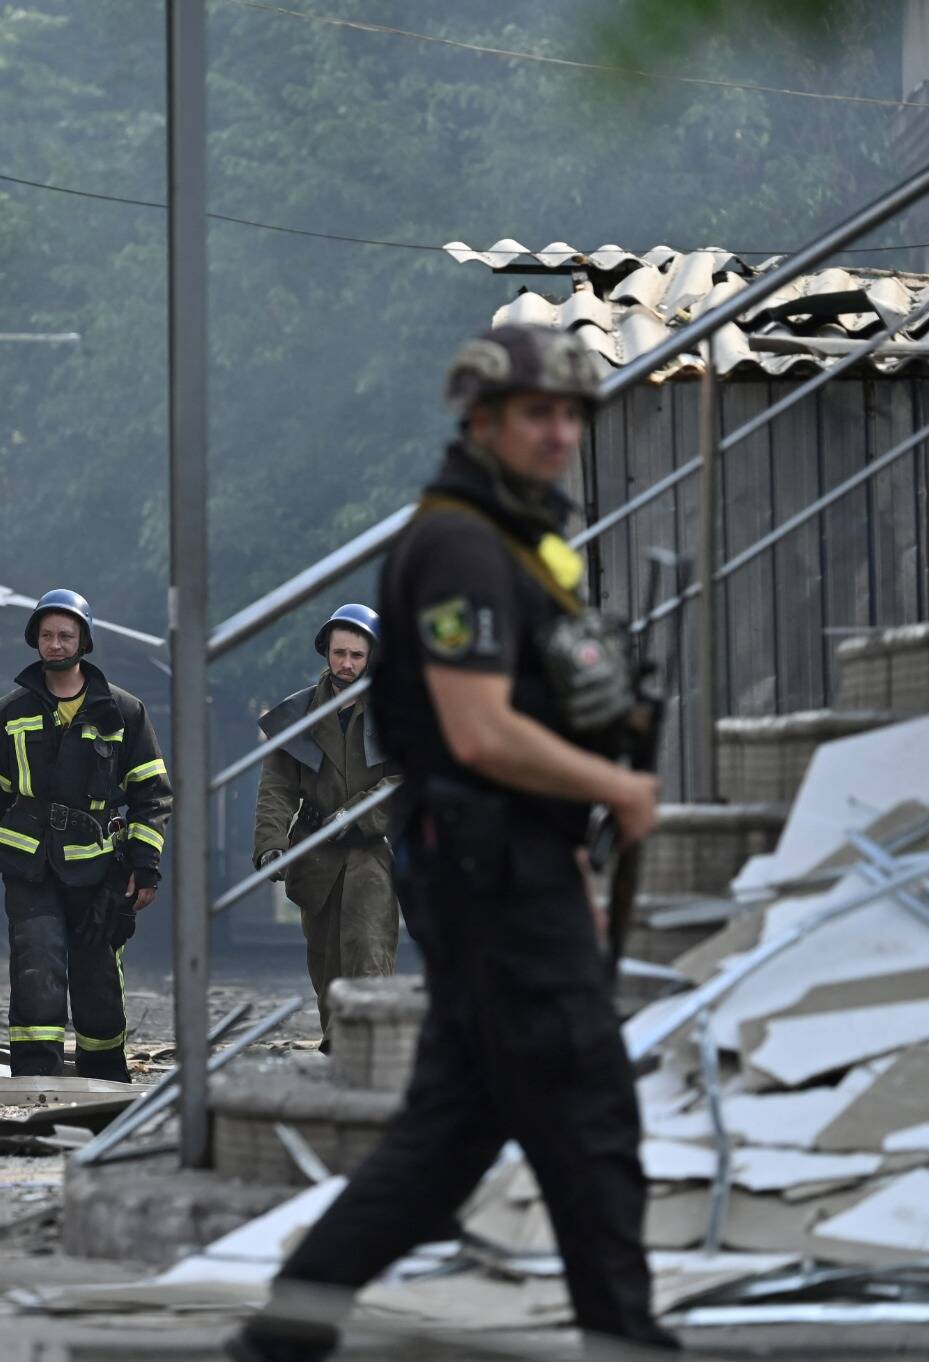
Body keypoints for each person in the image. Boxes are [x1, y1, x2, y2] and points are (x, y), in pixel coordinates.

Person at [231, 325, 674, 1360]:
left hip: (519, 868)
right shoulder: (461, 547)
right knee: (592, 1119)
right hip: (492, 882)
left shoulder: (521, 540)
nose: (560, 433)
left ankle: (279, 1338)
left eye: (573, 413)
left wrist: (578, 849)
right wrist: (617, 786)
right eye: (537, 413)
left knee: (441, 1144)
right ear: (481, 422)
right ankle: (628, 1338)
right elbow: (478, 731)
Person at [0, 589, 171, 1081]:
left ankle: (103, 1077)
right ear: (35, 640)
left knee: (98, 975)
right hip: (27, 862)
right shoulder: (9, 711)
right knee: (36, 967)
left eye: (66, 635)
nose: (55, 645)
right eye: (47, 635)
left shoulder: (123, 711)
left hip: (100, 866)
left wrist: (145, 866)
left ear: (84, 641)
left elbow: (152, 795)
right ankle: (36, 1077)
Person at [252, 603, 398, 1045]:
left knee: (368, 955)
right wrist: (271, 844)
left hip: (369, 855)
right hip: (314, 856)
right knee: (326, 966)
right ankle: (340, 1050)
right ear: (327, 653)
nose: (347, 664)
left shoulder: (398, 713)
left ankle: (364, 1050)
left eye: (356, 655)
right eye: (340, 653)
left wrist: (359, 812)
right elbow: (277, 785)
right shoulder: (299, 715)